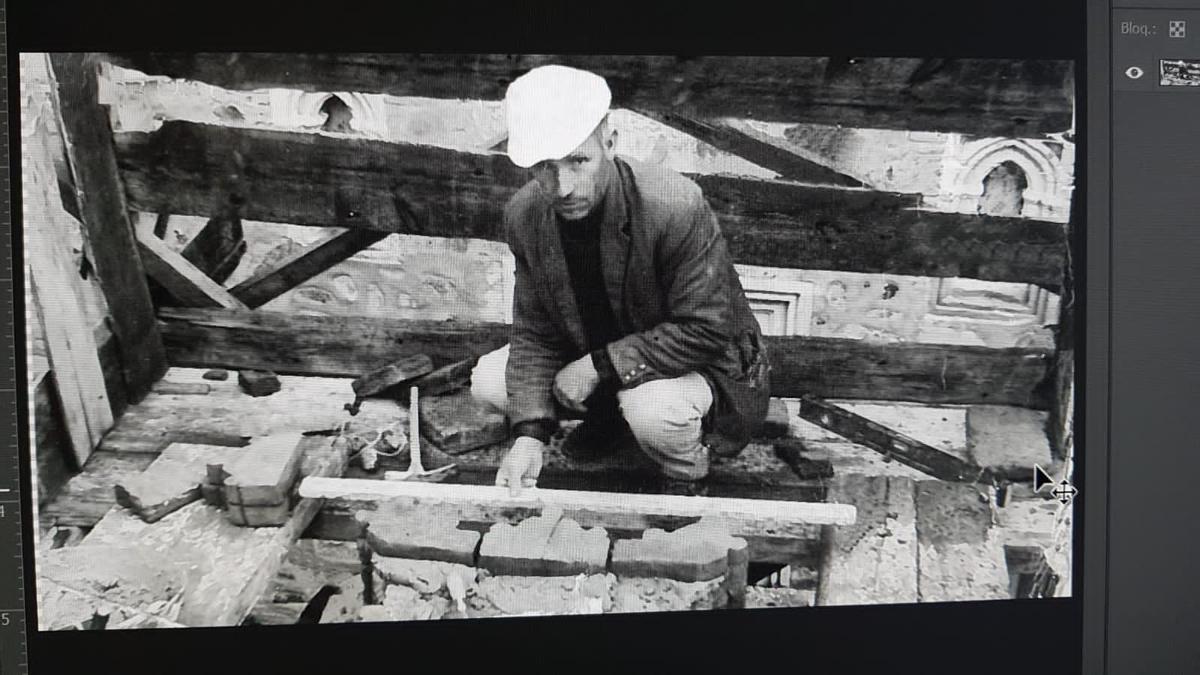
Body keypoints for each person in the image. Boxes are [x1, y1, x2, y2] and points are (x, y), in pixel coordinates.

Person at [471, 65, 771, 496]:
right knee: (488, 381)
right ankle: (611, 422)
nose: (562, 187)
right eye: (543, 166)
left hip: (700, 367)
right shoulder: (525, 215)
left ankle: (687, 475)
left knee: (653, 411)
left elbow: (707, 329)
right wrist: (529, 434)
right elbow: (534, 333)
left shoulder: (674, 206)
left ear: (609, 144)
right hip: (602, 357)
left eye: (578, 160)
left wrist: (598, 367)